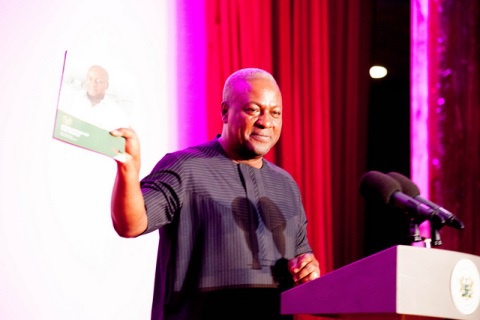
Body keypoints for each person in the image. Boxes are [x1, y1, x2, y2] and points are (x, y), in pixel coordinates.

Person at [110, 68, 321, 320]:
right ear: (225, 112)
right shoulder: (185, 166)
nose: (266, 121)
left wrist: (308, 269)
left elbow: (300, 256)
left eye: (275, 113)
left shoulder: (286, 184)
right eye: (253, 110)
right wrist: (128, 171)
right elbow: (130, 224)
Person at [59, 65, 130, 131]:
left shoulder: (117, 113)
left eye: (99, 81)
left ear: (107, 85)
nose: (93, 84)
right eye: (90, 79)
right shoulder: (70, 99)